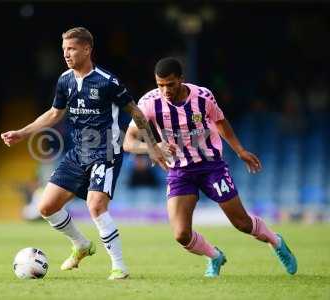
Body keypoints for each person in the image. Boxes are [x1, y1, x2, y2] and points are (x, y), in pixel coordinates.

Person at [1, 27, 167, 280]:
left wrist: (153, 147)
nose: (66, 54)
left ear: (87, 49)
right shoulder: (65, 80)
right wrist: (23, 133)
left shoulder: (107, 81)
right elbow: (55, 114)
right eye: (64, 49)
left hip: (106, 152)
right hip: (77, 153)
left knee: (96, 206)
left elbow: (136, 112)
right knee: (46, 206)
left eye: (72, 49)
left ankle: (119, 266)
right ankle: (81, 245)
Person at [123, 57, 297, 277]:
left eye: (170, 84)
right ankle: (215, 256)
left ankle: (276, 241)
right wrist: (152, 146)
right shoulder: (148, 103)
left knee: (242, 223)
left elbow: (221, 121)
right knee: (181, 235)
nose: (165, 90)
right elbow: (128, 142)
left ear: (181, 80)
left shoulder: (202, 97)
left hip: (211, 166)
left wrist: (240, 150)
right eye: (160, 85)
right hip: (180, 171)